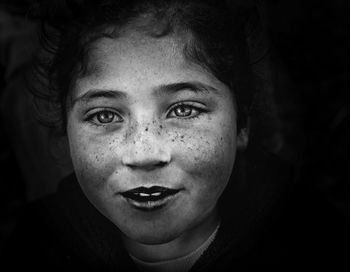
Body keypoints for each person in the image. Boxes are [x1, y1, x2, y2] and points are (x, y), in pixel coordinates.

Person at [3, 0, 349, 270]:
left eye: (183, 110)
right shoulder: (33, 247)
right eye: (105, 115)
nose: (144, 153)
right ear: (66, 134)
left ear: (242, 124)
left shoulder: (312, 240)